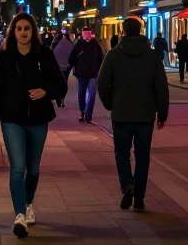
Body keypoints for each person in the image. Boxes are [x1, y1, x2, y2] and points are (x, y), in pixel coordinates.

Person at [0, 12, 68, 238]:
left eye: (27, 29)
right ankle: (19, 215)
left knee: (33, 169)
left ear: (34, 31)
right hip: (12, 119)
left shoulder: (45, 54)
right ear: (13, 32)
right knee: (17, 167)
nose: (23, 33)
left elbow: (61, 86)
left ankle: (29, 202)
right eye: (19, 29)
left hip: (38, 119)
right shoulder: (4, 57)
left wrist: (46, 91)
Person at [97, 16, 169, 212]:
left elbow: (102, 84)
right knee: (143, 156)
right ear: (140, 31)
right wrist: (162, 114)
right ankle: (139, 199)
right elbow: (161, 87)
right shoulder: (153, 56)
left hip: (121, 114)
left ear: (123, 31)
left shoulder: (113, 55)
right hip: (145, 115)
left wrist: (110, 104)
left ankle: (127, 184)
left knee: (122, 153)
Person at [69, 26, 104, 124]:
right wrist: (77, 65)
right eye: (85, 33)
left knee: (92, 94)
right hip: (81, 74)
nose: (87, 35)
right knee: (81, 93)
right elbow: (71, 59)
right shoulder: (78, 45)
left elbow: (100, 57)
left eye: (88, 32)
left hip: (92, 73)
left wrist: (97, 67)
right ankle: (82, 112)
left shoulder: (95, 44)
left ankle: (88, 115)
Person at [51, 29, 74, 108]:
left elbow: (51, 55)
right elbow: (72, 56)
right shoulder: (70, 44)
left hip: (57, 67)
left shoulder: (55, 43)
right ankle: (61, 100)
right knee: (64, 83)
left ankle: (59, 99)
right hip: (66, 67)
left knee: (58, 83)